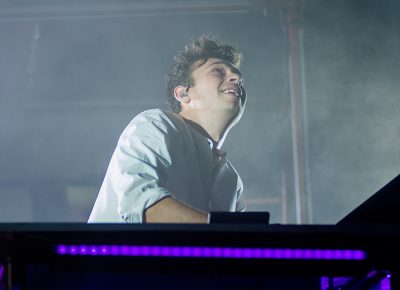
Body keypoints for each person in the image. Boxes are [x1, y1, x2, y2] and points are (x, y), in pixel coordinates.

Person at [88, 36, 247, 223]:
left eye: (239, 78)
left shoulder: (231, 180)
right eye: (218, 71)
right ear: (183, 93)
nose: (236, 78)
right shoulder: (155, 125)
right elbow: (141, 205)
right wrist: (223, 233)